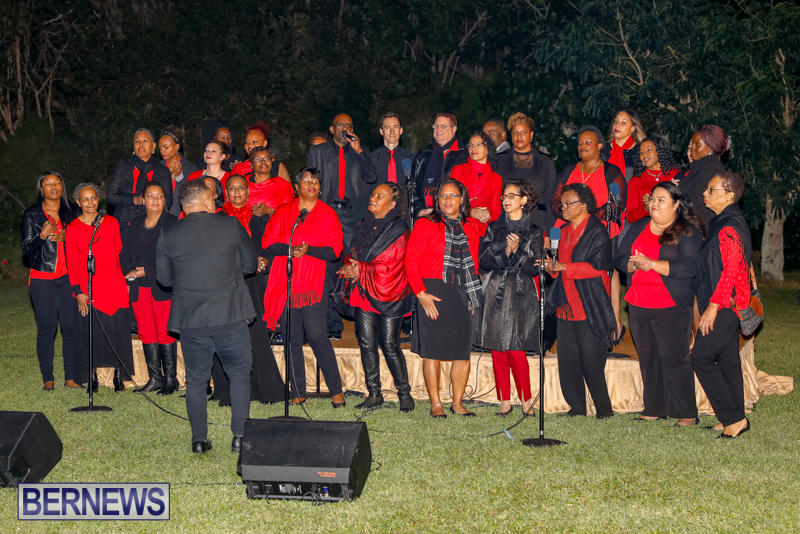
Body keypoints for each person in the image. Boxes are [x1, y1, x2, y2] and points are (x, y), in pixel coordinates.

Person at [155, 179, 257, 454]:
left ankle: (199, 440)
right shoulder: (230, 225)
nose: (215, 202)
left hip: (193, 320)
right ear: (203, 201)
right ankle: (239, 437)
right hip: (230, 314)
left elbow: (164, 279)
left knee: (197, 379)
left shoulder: (169, 233)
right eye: (212, 198)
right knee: (239, 374)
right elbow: (249, 265)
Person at [614, 182, 703, 425]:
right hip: (639, 302)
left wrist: (652, 264)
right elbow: (620, 258)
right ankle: (654, 407)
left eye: (661, 200)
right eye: (653, 198)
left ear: (676, 204)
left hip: (671, 304)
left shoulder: (687, 231)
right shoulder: (639, 226)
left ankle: (687, 412)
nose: (654, 203)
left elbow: (689, 267)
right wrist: (633, 264)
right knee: (648, 357)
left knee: (674, 357)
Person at [262, 168, 346, 407]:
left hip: (312, 288)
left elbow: (334, 251)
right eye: (307, 181)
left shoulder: (327, 214)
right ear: (297, 187)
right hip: (286, 285)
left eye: (316, 181)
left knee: (318, 337)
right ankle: (297, 391)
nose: (312, 185)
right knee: (292, 340)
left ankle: (336, 391)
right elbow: (268, 243)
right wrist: (290, 249)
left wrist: (310, 250)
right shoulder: (284, 212)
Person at [405, 178, 483, 418]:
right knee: (433, 351)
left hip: (462, 292)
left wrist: (472, 296)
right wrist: (421, 294)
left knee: (462, 352)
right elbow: (411, 261)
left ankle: (457, 403)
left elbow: (474, 263)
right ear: (437, 200)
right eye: (443, 196)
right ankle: (435, 404)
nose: (448, 200)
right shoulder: (425, 224)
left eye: (453, 195)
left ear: (462, 199)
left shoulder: (472, 226)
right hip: (432, 292)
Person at [337, 183, 415, 412]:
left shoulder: (399, 228)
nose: (373, 198)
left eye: (380, 196)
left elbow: (393, 264)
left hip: (390, 292)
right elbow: (354, 252)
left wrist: (361, 269)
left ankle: (404, 393)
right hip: (364, 290)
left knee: (389, 344)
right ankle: (374, 393)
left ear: (392, 204)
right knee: (366, 343)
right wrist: (351, 267)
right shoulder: (364, 223)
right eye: (373, 194)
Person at [545, 184, 614, 419]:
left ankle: (604, 410)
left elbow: (598, 268)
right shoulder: (562, 232)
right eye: (562, 204)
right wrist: (551, 266)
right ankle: (576, 407)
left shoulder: (597, 231)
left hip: (589, 303)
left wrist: (564, 267)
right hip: (565, 304)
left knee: (591, 360)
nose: (563, 208)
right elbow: (558, 267)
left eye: (568, 203)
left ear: (583, 205)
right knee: (568, 360)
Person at [553, 125, 627, 344]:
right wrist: (570, 217)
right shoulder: (569, 171)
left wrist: (587, 217)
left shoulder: (611, 172)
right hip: (568, 228)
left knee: (607, 271)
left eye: (588, 142)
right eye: (580, 143)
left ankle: (614, 321)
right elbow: (557, 203)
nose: (583, 146)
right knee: (567, 269)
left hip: (601, 230)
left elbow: (618, 203)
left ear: (600, 146)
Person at [691, 171, 752, 438]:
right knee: (728, 360)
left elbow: (731, 270)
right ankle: (733, 415)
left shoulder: (728, 225)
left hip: (725, 304)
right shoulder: (724, 221)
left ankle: (734, 418)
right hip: (727, 301)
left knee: (700, 357)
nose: (705, 193)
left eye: (711, 189)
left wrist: (713, 307)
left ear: (728, 195)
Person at [306, 113, 377, 338]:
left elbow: (371, 177)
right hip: (326, 214)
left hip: (352, 216)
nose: (345, 128)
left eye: (348, 125)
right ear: (332, 129)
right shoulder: (318, 152)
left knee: (354, 268)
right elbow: (310, 183)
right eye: (340, 125)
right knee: (327, 269)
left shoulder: (359, 152)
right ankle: (333, 325)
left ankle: (361, 324)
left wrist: (359, 151)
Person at [478, 180, 542, 416]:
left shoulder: (534, 231)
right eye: (504, 196)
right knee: (497, 348)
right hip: (496, 288)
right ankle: (504, 401)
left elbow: (534, 267)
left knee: (516, 348)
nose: (506, 200)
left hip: (520, 291)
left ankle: (526, 400)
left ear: (524, 200)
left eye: (512, 196)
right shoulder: (494, 228)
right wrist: (504, 253)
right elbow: (483, 260)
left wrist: (517, 252)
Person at [220, 175, 285, 404]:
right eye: (232, 189)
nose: (237, 192)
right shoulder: (219, 219)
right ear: (226, 193)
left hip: (253, 283)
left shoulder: (260, 218)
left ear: (248, 192)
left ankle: (266, 390)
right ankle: (230, 392)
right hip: (226, 284)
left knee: (256, 335)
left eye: (241, 188)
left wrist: (265, 260)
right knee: (229, 337)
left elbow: (270, 247)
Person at [66, 183, 134, 392]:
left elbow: (120, 252)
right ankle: (92, 375)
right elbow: (72, 263)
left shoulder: (111, 222)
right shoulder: (73, 228)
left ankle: (119, 375)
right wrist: (78, 292)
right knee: (92, 333)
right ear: (78, 202)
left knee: (117, 331)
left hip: (113, 283)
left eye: (93, 198)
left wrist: (126, 281)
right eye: (85, 199)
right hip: (89, 286)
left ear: (98, 200)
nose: (90, 203)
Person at [21, 172, 80, 390]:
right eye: (48, 183)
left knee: (70, 327)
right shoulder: (32, 214)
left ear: (62, 187)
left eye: (57, 183)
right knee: (47, 328)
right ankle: (48, 378)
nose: (53, 187)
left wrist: (69, 237)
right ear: (41, 189)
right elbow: (27, 250)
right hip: (42, 278)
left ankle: (71, 376)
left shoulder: (72, 212)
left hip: (69, 278)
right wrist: (42, 236)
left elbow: (85, 242)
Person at [120, 183, 178, 394]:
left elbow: (174, 256)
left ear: (165, 200)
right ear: (143, 200)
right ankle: (155, 378)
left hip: (162, 286)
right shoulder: (133, 224)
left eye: (159, 196)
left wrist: (147, 271)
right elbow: (124, 253)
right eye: (150, 196)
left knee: (164, 332)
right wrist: (128, 271)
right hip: (139, 287)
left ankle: (171, 379)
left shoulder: (172, 223)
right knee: (146, 332)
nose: (155, 200)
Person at [495, 112, 557, 228]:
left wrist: (552, 233)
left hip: (538, 224)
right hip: (505, 223)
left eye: (523, 132)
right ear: (511, 136)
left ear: (531, 135)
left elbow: (551, 201)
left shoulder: (546, 163)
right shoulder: (499, 161)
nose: (519, 136)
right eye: (515, 133)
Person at [107, 128, 173, 227]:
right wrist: (134, 200)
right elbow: (111, 196)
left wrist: (152, 204)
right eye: (137, 142)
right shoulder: (123, 166)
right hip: (124, 224)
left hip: (152, 223)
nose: (141, 145)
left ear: (153, 146)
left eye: (145, 141)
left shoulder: (162, 171)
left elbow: (168, 200)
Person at [411, 112, 468, 217]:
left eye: (444, 126)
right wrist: (418, 209)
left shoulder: (464, 154)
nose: (439, 130)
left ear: (454, 129)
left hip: (454, 216)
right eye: (436, 126)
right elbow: (412, 185)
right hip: (425, 215)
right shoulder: (423, 154)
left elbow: (469, 188)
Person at [449, 131, 503, 236]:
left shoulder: (496, 178)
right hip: (456, 227)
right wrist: (470, 212)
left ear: (488, 149)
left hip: (479, 232)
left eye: (478, 145)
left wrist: (488, 215)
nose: (473, 148)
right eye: (471, 145)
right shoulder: (458, 170)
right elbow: (449, 200)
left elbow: (496, 210)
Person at [676, 124, 730, 226]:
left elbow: (695, 201)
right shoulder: (698, 166)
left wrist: (674, 191)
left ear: (711, 148)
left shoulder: (712, 170)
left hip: (699, 227)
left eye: (697, 144)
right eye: (692, 144)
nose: (692, 148)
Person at [626, 137, 680, 224]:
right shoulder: (636, 181)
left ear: (659, 151)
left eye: (649, 150)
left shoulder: (676, 175)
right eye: (641, 153)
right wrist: (646, 208)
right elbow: (630, 217)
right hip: (647, 226)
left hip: (675, 224)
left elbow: (686, 207)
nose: (644, 155)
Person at [158, 126, 198, 216]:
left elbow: (191, 196)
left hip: (181, 217)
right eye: (160, 148)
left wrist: (179, 177)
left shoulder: (191, 169)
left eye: (165, 147)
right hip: (160, 215)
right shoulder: (157, 167)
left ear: (177, 146)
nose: (162, 151)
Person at [245, 146, 294, 216]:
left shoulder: (282, 185)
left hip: (275, 222)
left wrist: (270, 211)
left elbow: (290, 213)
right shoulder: (243, 184)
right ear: (251, 165)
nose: (263, 162)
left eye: (267, 159)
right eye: (258, 159)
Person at [369, 112, 415, 186]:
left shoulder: (411, 159)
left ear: (401, 130)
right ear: (381, 131)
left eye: (395, 127)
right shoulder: (371, 159)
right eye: (387, 127)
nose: (392, 131)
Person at [600, 109, 646, 181]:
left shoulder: (641, 151)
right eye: (616, 121)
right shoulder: (602, 150)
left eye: (623, 123)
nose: (617, 125)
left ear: (632, 128)